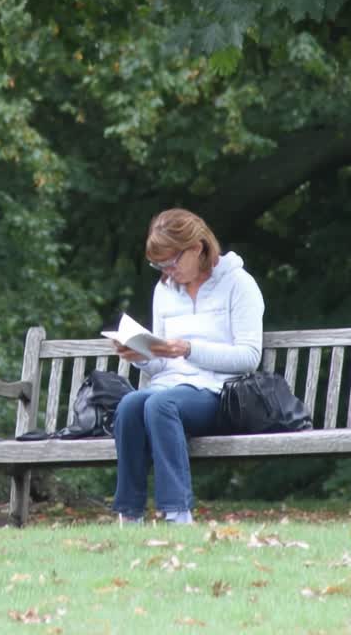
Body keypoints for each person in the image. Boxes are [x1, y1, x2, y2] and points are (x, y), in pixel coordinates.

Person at [110, 209, 264, 525]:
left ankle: (177, 512)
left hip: (220, 393)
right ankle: (129, 513)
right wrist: (141, 356)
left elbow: (249, 357)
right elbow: (163, 361)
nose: (167, 272)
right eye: (159, 266)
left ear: (196, 247)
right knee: (129, 405)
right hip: (171, 387)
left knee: (160, 404)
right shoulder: (165, 290)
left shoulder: (239, 284)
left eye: (172, 262)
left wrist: (190, 349)